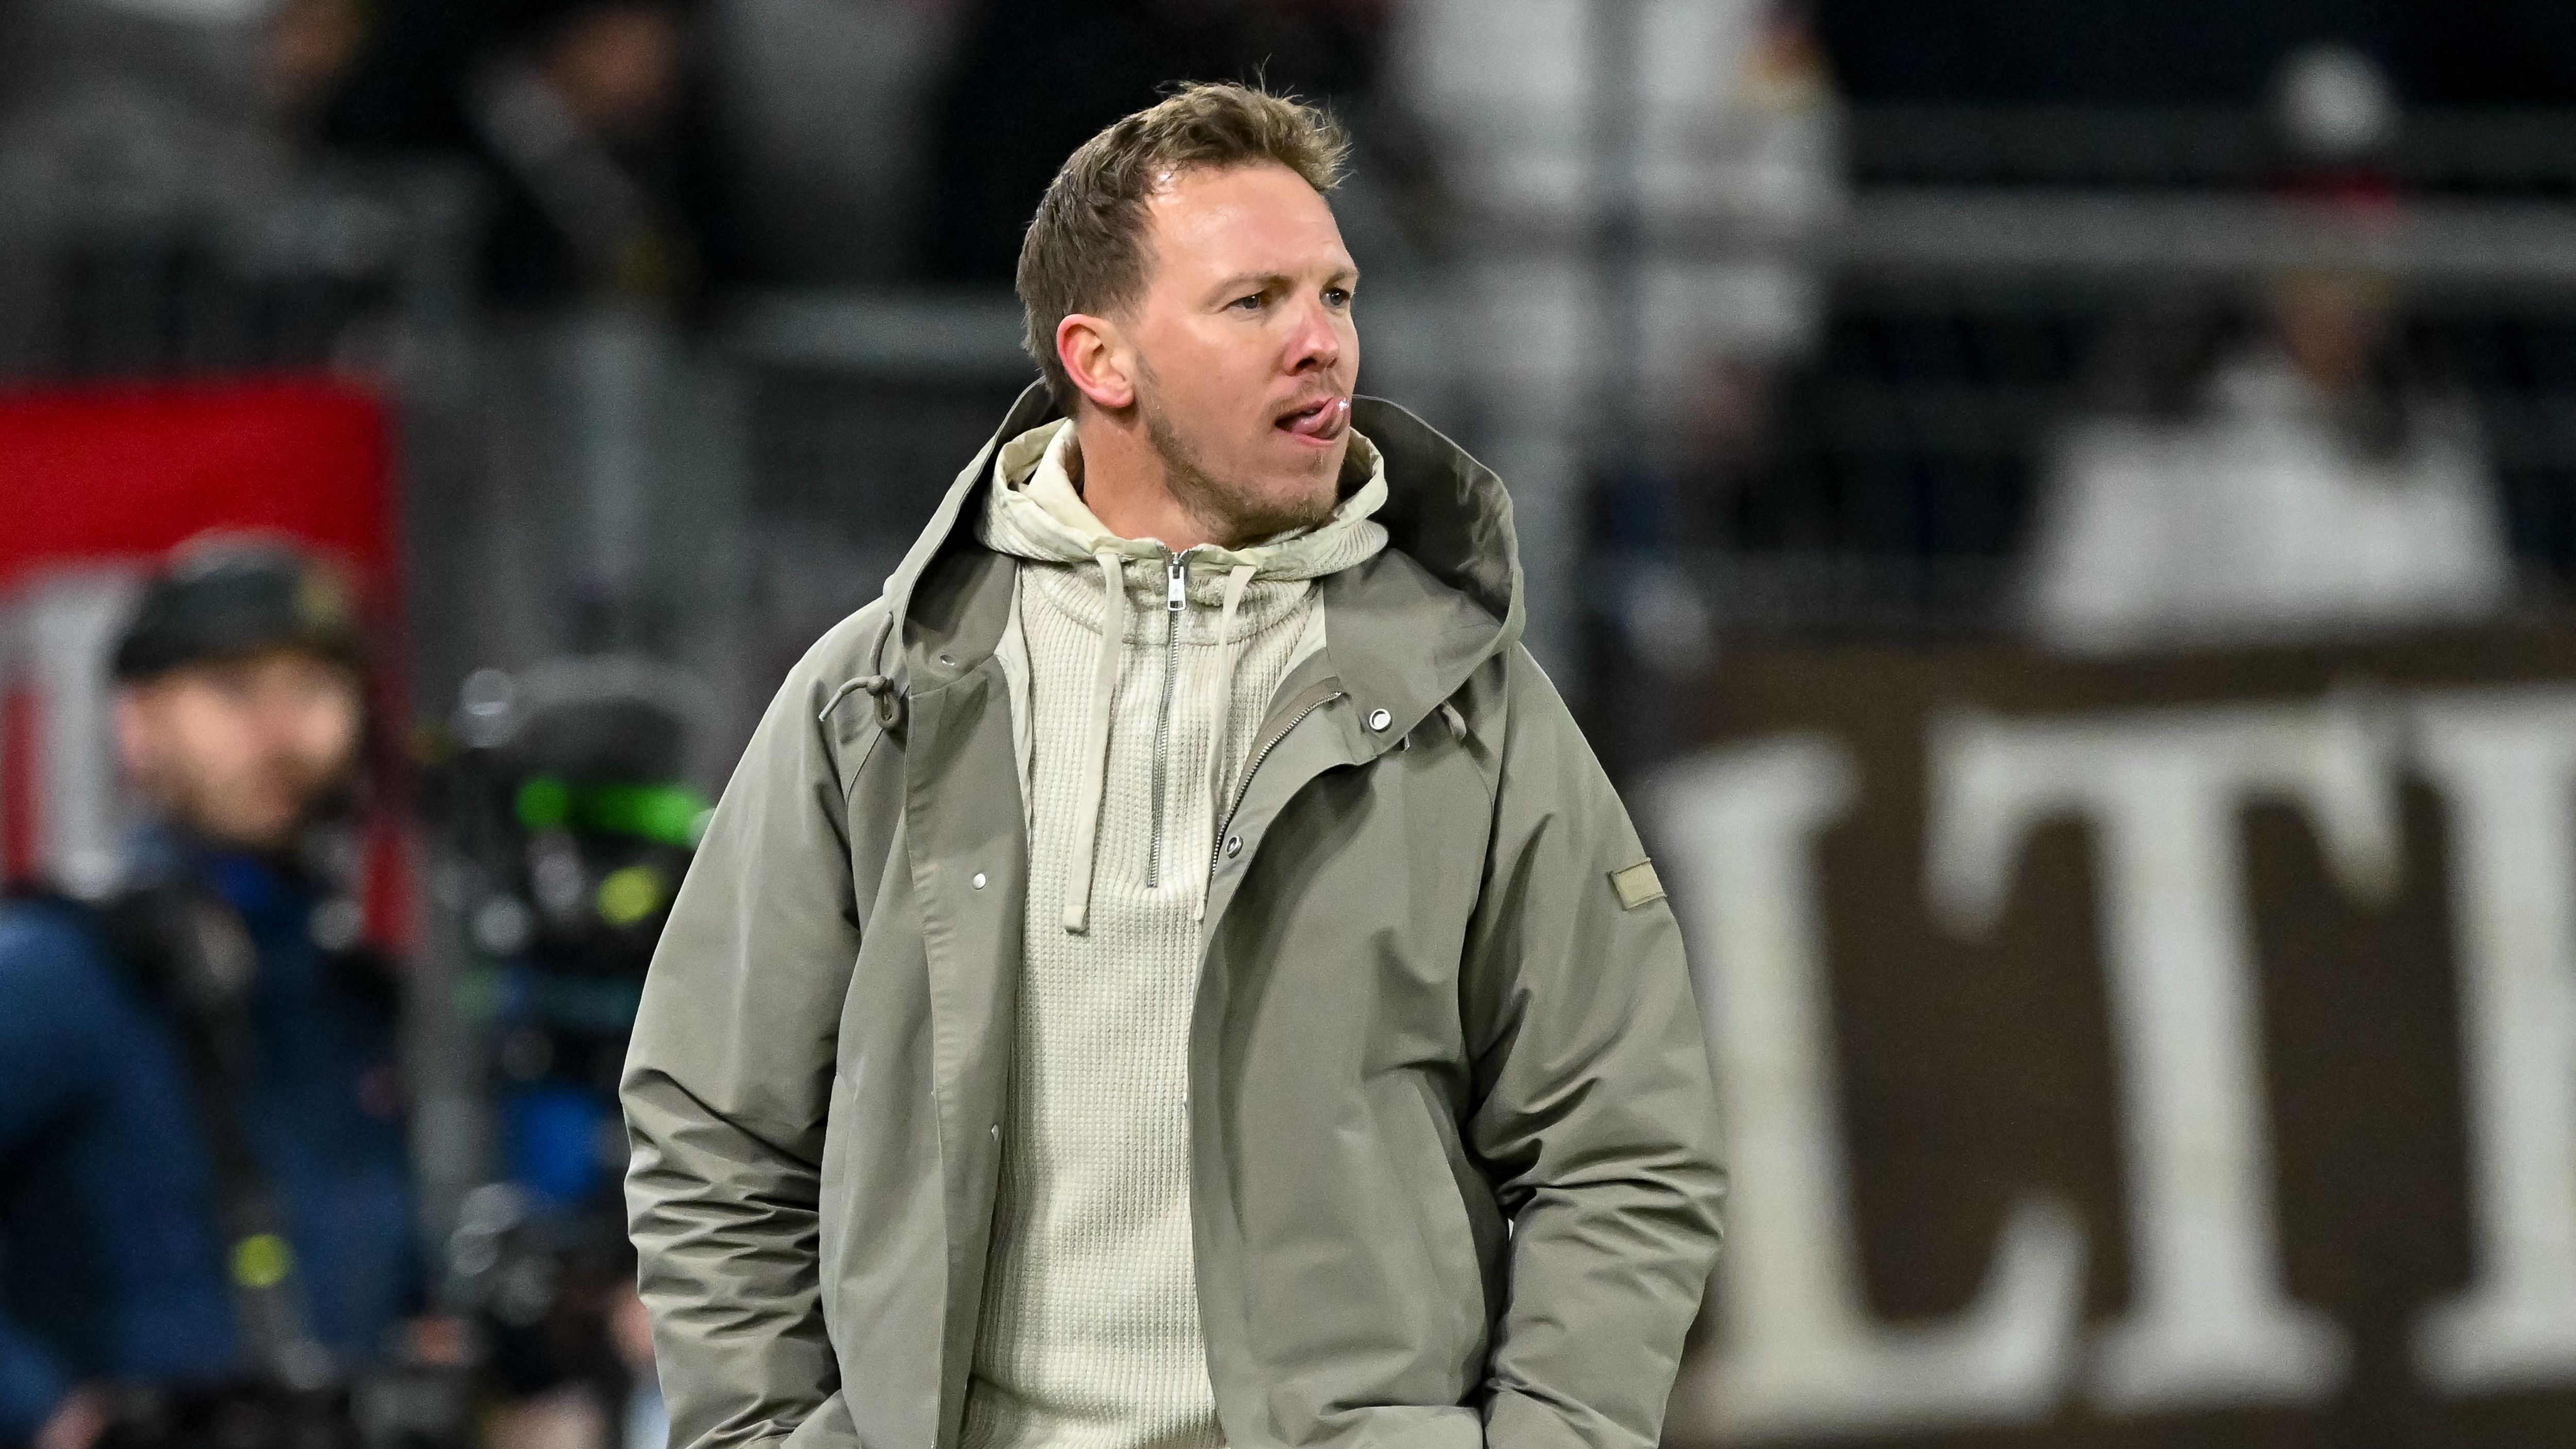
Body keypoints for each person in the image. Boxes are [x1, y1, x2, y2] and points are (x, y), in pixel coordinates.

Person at [623, 82, 1726, 1449]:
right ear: (1102, 360)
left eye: (1336, 294)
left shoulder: (1471, 707)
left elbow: (1624, 1142)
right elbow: (714, 1125)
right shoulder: (880, 695)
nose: (1322, 343)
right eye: (1254, 302)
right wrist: (766, 1435)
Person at [0, 540, 423, 1449]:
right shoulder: (62, 971)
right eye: (232, 689)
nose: (280, 730)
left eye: (314, 686)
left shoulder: (359, 998)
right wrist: (40, 1409)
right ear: (137, 723)